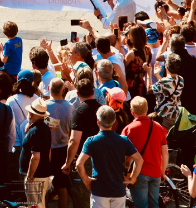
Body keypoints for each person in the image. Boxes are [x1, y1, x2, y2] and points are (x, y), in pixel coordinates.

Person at [76, 105, 144, 208]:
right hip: (118, 190)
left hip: (99, 190)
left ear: (98, 121)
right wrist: (132, 178)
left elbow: (79, 163)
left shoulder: (91, 141)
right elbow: (139, 160)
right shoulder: (124, 140)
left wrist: (86, 179)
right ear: (114, 121)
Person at [122, 97, 168, 208]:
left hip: (139, 174)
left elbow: (123, 155)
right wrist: (162, 172)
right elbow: (165, 153)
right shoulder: (159, 128)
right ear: (147, 109)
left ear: (132, 111)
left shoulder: (128, 129)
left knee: (141, 205)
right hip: (156, 172)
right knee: (154, 204)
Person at [62, 78, 100, 208]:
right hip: (103, 157)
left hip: (85, 160)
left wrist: (68, 163)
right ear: (93, 92)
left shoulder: (79, 112)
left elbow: (74, 141)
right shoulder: (102, 109)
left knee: (83, 197)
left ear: (77, 94)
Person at [45, 79, 73, 208]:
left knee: (43, 187)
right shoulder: (70, 107)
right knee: (62, 187)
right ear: (63, 90)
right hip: (63, 150)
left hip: (46, 150)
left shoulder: (43, 106)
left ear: (49, 87)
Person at [150, 53, 183, 129]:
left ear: (166, 66)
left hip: (164, 116)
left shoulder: (164, 82)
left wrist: (149, 73)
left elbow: (149, 89)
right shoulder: (180, 79)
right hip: (176, 114)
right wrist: (157, 75)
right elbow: (167, 87)